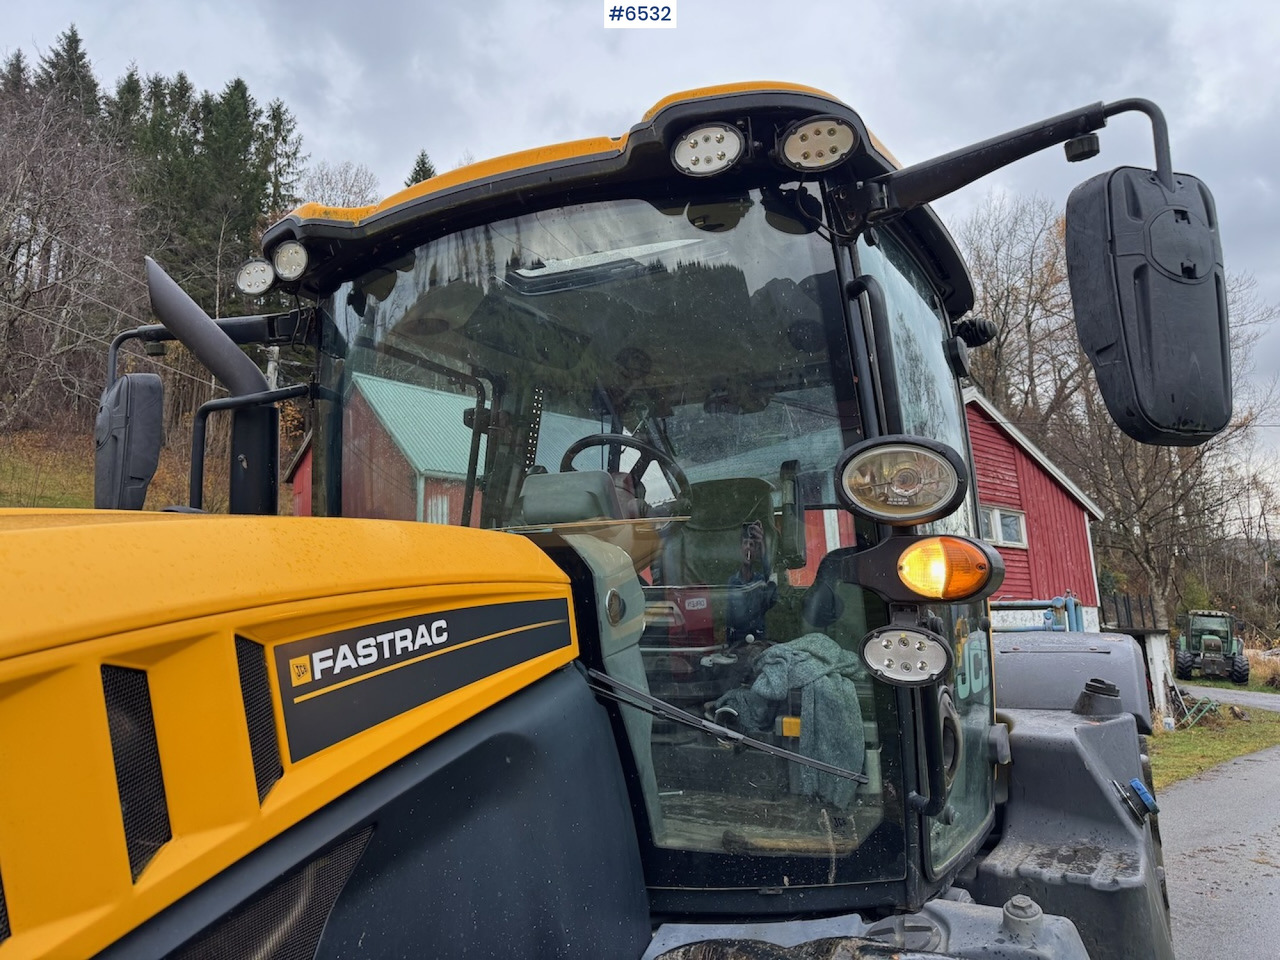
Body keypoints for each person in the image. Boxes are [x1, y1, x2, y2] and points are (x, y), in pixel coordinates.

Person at [725, 519, 777, 644]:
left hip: (759, 642)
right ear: (740, 549)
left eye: (752, 545)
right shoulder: (732, 582)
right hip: (737, 644)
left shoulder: (761, 580)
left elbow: (772, 599)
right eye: (745, 543)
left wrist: (763, 549)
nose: (748, 547)